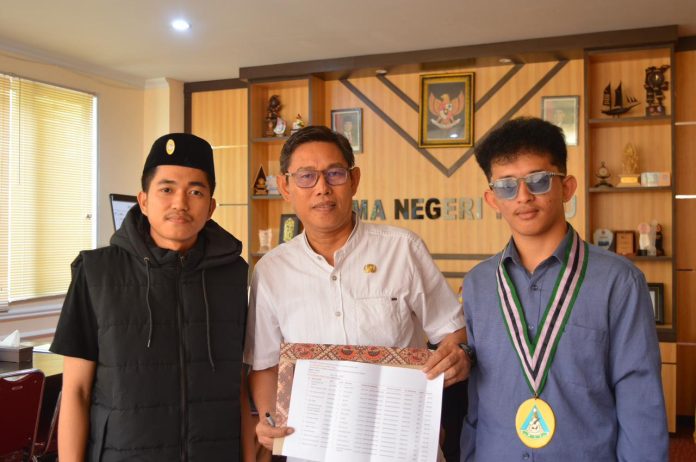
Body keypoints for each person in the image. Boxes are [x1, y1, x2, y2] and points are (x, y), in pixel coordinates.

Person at [244, 125, 472, 460]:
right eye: (306, 176)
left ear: (354, 180)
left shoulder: (402, 250)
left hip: (402, 448)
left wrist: (456, 356)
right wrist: (268, 418)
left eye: (334, 173)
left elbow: (452, 331)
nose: (322, 188)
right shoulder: (271, 271)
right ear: (285, 186)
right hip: (313, 450)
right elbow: (264, 364)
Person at [460, 117, 668, 461]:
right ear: (492, 199)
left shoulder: (619, 281)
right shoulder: (478, 284)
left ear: (567, 188)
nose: (523, 196)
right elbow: (476, 399)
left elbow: (640, 401)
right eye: (506, 186)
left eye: (539, 180)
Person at [50, 133, 250, 461]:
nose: (180, 203)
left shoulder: (233, 275)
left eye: (196, 192)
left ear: (211, 207)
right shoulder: (96, 273)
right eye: (167, 189)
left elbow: (237, 384)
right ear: (143, 201)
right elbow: (76, 391)